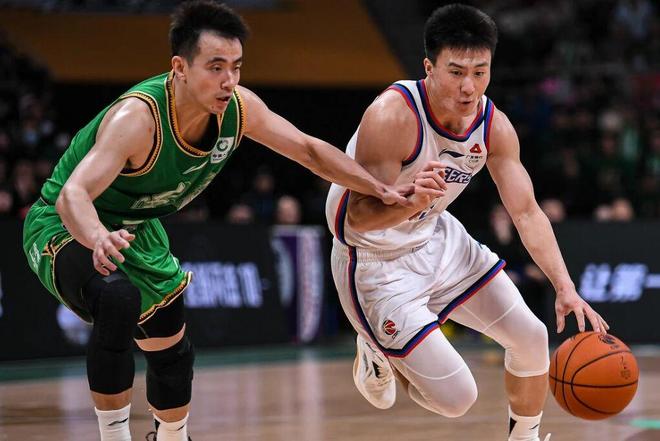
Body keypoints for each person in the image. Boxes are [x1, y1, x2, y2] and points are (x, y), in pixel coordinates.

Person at [22, 2, 442, 441]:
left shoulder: (239, 109)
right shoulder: (138, 119)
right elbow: (73, 195)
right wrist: (97, 238)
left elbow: (308, 150)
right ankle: (114, 436)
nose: (229, 80)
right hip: (65, 223)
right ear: (180, 68)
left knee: (172, 347)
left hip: (136, 228)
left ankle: (173, 435)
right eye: (216, 67)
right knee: (118, 299)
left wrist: (380, 189)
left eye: (236, 67)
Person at [325, 5, 608, 441]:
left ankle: (525, 438)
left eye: (480, 72)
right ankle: (381, 352)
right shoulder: (392, 116)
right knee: (457, 400)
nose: (469, 86)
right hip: (373, 260)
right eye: (456, 72)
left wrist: (565, 286)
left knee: (532, 338)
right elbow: (355, 221)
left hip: (435, 237)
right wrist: (409, 203)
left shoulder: (493, 126)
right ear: (429, 68)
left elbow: (526, 212)